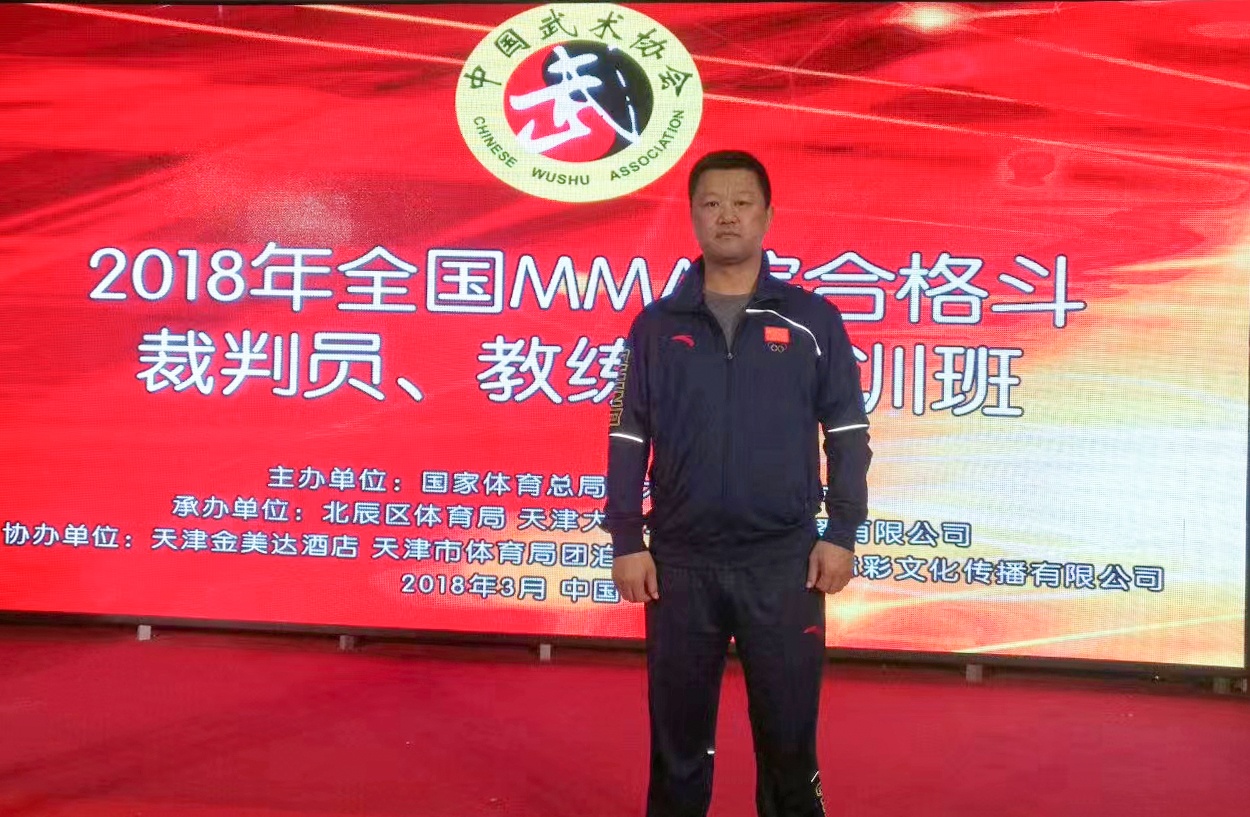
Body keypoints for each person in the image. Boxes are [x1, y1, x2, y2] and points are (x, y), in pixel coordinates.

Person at [603, 150, 872, 817]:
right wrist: (626, 540)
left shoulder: (813, 320)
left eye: (742, 202)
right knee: (678, 743)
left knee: (788, 740)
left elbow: (847, 432)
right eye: (712, 203)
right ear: (693, 216)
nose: (727, 216)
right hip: (679, 564)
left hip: (783, 564)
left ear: (767, 216)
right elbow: (627, 434)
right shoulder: (655, 327)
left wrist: (841, 531)